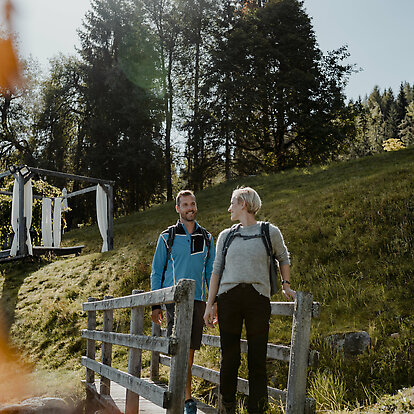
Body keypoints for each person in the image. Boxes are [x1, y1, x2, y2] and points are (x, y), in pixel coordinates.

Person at [204, 186, 296, 414]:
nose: (229, 208)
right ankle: (227, 407)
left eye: (232, 203)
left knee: (257, 358)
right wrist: (210, 304)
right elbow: (216, 271)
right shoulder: (226, 236)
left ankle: (258, 409)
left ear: (243, 204)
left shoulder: (269, 231)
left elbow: (283, 258)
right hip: (229, 300)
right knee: (229, 358)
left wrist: (286, 286)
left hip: (257, 300)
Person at [151, 190, 215, 414]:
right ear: (178, 209)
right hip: (173, 301)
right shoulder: (166, 237)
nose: (190, 208)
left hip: (198, 300)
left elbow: (211, 274)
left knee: (189, 352)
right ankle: (186, 399)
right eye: (185, 205)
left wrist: (212, 303)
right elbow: (157, 271)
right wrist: (156, 304)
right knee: (180, 349)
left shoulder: (207, 238)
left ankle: (182, 395)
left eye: (193, 204)